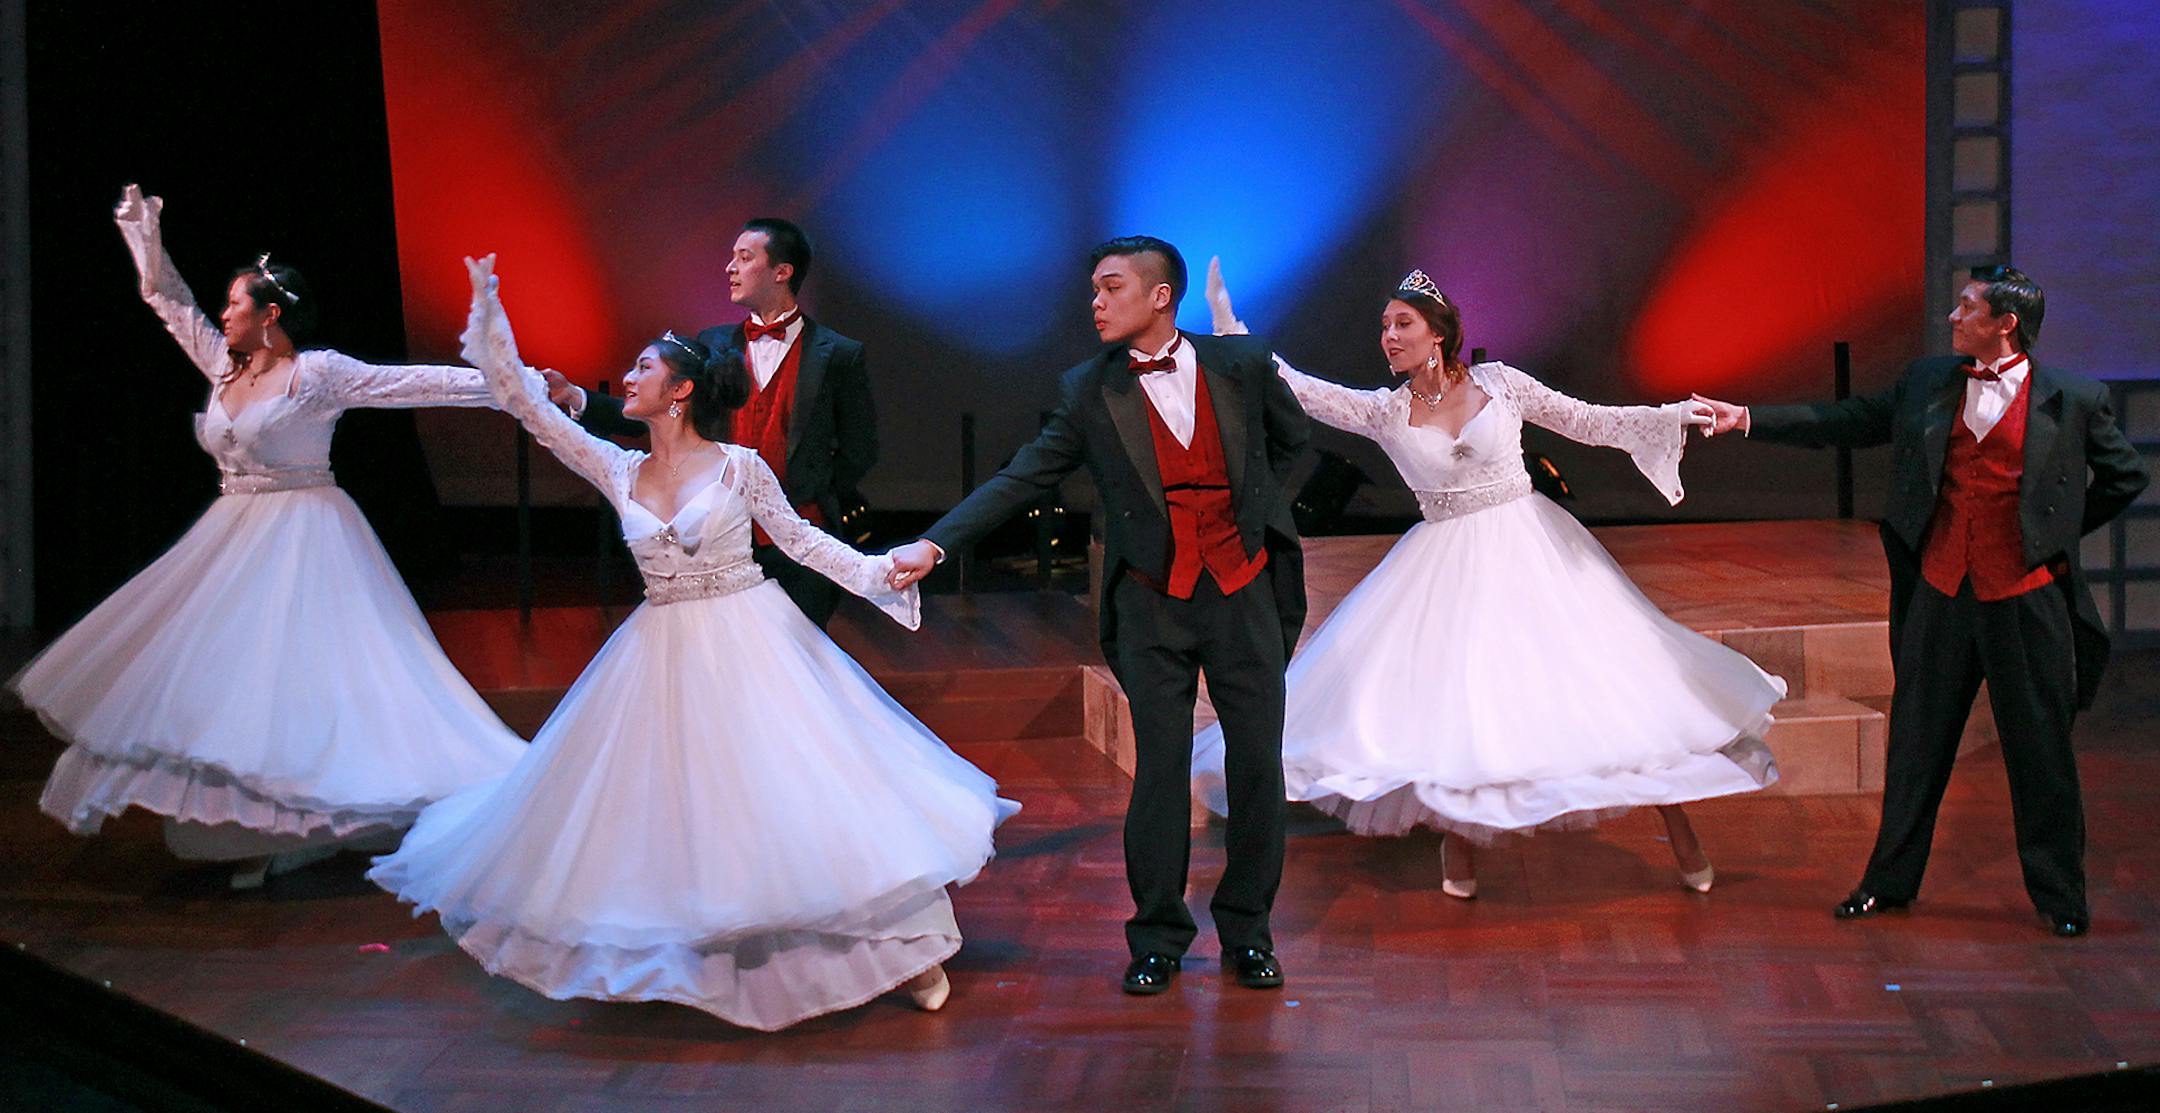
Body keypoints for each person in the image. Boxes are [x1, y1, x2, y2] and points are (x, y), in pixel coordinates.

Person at [371, 257, 1015, 1030]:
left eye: (643, 367)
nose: (628, 377)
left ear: (681, 390)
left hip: (751, 640)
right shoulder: (618, 466)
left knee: (807, 798)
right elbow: (530, 411)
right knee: (684, 819)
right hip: (660, 650)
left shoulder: (740, 467)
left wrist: (882, 573)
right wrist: (490, 317)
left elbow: (802, 540)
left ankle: (908, 949)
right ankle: (710, 956)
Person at [1192, 260, 1783, 897]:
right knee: (1463, 703)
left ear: (1437, 334)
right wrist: (1233, 331)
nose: (1389, 337)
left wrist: (1666, 419)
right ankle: (1459, 848)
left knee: (1615, 694)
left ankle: (1682, 832)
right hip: (1445, 570)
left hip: (1532, 553)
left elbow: (1586, 421)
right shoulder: (1385, 413)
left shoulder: (1501, 385)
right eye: (1384, 327)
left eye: (1402, 324)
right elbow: (1300, 388)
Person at [12, 186, 527, 889]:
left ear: (271, 315)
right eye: (225, 305)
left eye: (236, 304)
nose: (223, 314)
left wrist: (515, 386)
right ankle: (256, 823)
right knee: (231, 685)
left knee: (303, 682)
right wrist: (145, 238)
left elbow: (409, 382)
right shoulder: (225, 368)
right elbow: (169, 301)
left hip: (306, 532)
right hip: (232, 538)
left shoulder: (316, 374)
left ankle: (314, 823)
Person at [887, 237, 1308, 996]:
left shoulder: (1240, 366)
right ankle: (1157, 937)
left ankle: (1249, 933)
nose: (1096, 302)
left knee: (1255, 768)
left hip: (1243, 593)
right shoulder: (1090, 388)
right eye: (1093, 290)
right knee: (1159, 772)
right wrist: (936, 543)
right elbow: (1022, 477)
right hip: (1152, 602)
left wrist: (1249, 516)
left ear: (1159, 296)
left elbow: (1292, 443)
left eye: (1111, 287)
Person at [1693, 265, 2148, 936]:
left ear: (2005, 324)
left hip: (2025, 597)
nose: (1952, 316)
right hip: (1941, 593)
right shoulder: (1928, 383)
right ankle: (1888, 882)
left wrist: (2049, 530)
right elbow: (1844, 421)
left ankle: (2060, 897)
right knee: (1916, 745)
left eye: (1967, 307)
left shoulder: (2074, 398)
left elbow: (2123, 476)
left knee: (2041, 752)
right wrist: (1747, 419)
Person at [546, 218, 874, 627]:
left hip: (800, 539)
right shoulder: (714, 343)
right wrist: (574, 397)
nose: (730, 268)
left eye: (744, 257)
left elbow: (860, 448)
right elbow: (662, 412)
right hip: (719, 540)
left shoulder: (838, 354)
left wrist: (807, 492)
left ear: (782, 271)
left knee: (795, 668)